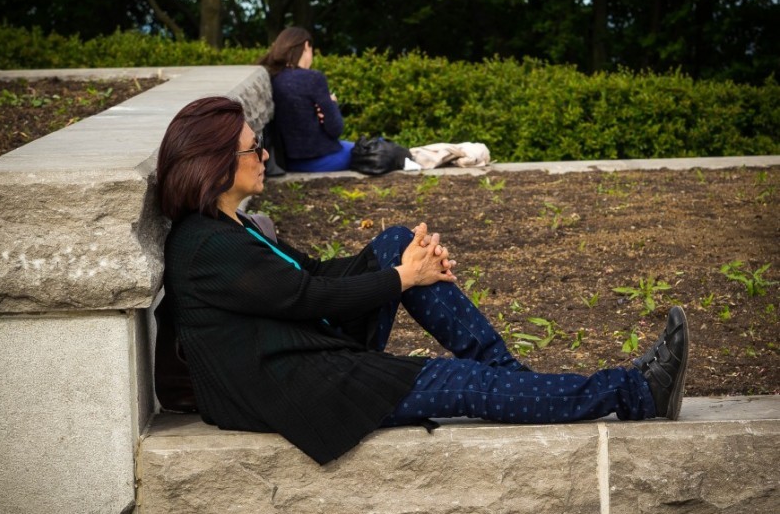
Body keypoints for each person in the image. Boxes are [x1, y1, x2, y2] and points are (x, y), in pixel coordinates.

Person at [156, 96, 690, 466]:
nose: (264, 156)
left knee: (396, 242)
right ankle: (637, 391)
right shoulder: (206, 246)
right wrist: (403, 278)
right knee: (464, 385)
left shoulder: (231, 225)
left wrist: (405, 265)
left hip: (305, 355)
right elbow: (308, 296)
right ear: (215, 162)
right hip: (300, 391)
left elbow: (311, 273)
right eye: (253, 149)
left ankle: (514, 378)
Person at [258, 26, 354, 172]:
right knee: (378, 149)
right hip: (318, 159)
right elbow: (336, 129)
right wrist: (332, 104)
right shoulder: (313, 78)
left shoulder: (273, 76)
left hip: (286, 161)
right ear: (306, 46)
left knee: (355, 146)